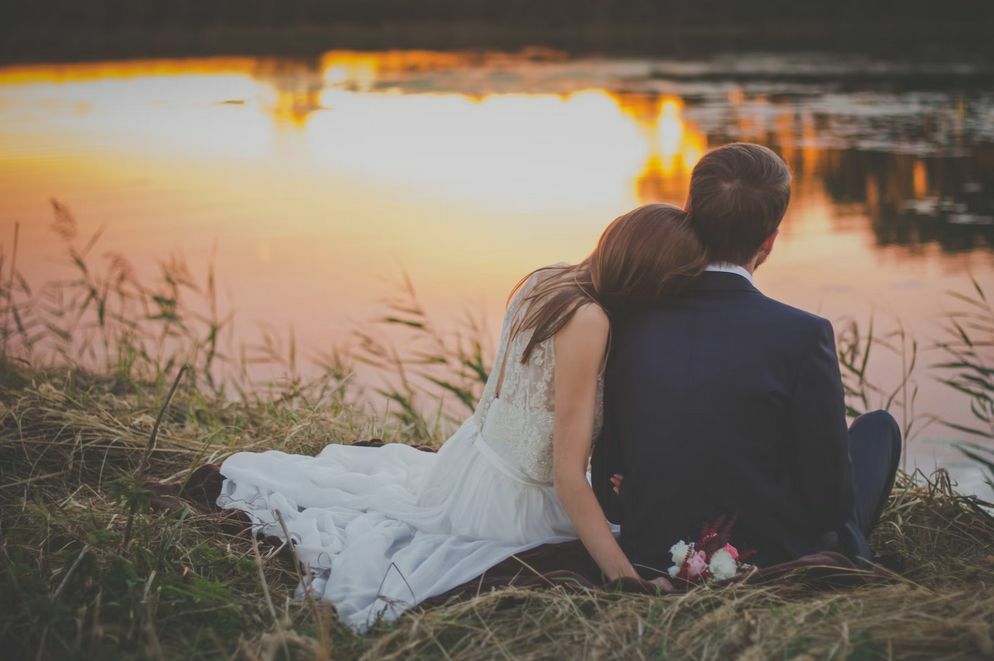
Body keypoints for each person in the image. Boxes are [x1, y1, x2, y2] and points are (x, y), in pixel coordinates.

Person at [217, 204, 706, 630]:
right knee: (622, 546)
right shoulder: (590, 320)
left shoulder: (549, 278)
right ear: (650, 281)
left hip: (468, 462)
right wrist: (625, 581)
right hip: (510, 503)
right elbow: (565, 475)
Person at [592, 143, 902, 574]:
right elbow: (830, 505)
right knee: (878, 430)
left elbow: (608, 488)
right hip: (769, 552)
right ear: (770, 239)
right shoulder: (803, 335)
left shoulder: (628, 322)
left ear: (688, 212)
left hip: (654, 548)